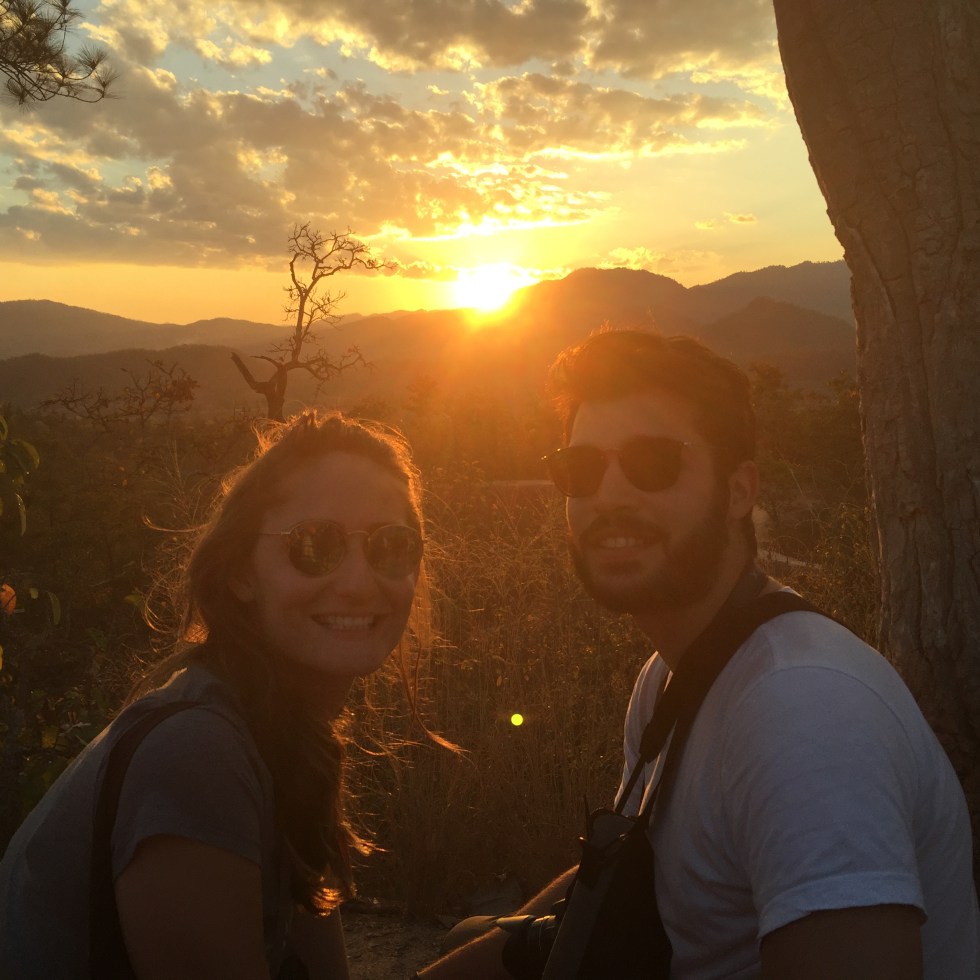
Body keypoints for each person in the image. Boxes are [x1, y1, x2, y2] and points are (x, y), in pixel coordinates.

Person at [419, 329, 978, 979]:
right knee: (468, 937)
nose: (610, 495)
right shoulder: (669, 676)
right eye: (581, 469)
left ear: (739, 491)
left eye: (654, 462)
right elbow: (634, 871)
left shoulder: (804, 709)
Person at [0, 410, 437, 979]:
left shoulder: (283, 737)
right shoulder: (195, 753)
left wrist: (513, 944)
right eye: (314, 545)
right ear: (241, 572)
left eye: (392, 546)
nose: (358, 582)